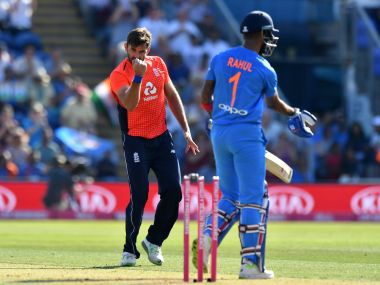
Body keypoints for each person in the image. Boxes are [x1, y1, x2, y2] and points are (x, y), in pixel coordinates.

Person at [198, 11, 317, 279]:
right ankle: (250, 266)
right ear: (263, 34)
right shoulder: (264, 68)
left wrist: (215, 116)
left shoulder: (221, 57)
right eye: (269, 35)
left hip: (219, 134)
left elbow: (205, 96)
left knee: (230, 197)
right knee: (255, 199)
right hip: (247, 136)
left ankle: (206, 239)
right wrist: (294, 112)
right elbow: (274, 103)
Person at [109, 27, 199, 267]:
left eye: (142, 51)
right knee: (139, 195)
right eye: (134, 51)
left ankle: (154, 240)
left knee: (174, 191)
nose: (138, 56)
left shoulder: (158, 63)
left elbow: (171, 94)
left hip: (161, 137)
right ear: (127, 48)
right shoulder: (119, 74)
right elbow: (129, 103)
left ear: (148, 49)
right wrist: (138, 76)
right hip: (136, 140)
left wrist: (187, 130)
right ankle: (129, 250)